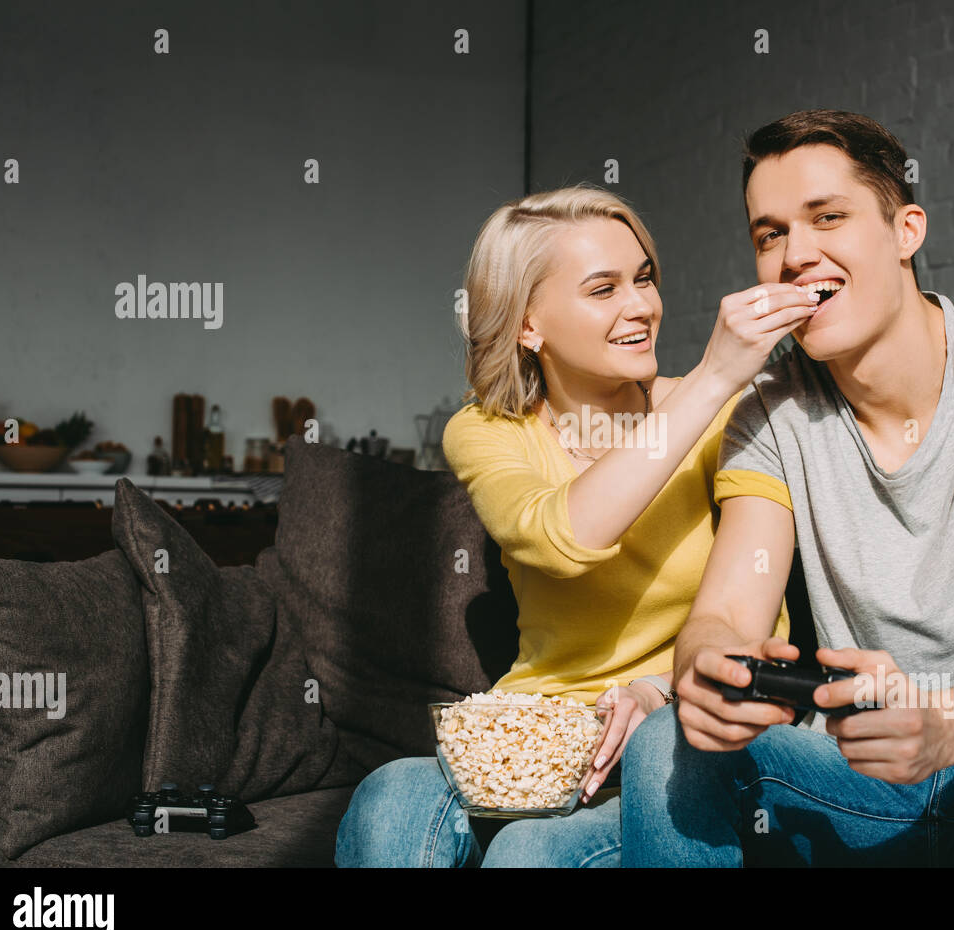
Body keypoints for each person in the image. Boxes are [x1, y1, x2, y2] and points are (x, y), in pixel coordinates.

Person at [620, 109, 954, 867]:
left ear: (906, 230)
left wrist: (946, 721)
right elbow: (728, 611)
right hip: (852, 781)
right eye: (770, 234)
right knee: (665, 741)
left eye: (827, 217)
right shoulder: (769, 408)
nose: (796, 255)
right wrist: (705, 670)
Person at [335, 184, 813, 867]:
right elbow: (565, 538)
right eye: (603, 289)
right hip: (536, 734)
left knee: (528, 856)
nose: (641, 306)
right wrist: (715, 376)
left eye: (644, 278)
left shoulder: (721, 416)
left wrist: (658, 692)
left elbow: (754, 616)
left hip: (671, 735)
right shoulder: (485, 430)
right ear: (529, 325)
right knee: (389, 799)